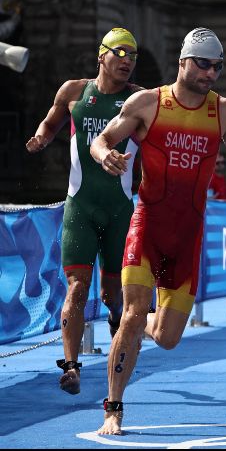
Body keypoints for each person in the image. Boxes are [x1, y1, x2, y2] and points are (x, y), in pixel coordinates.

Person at [89, 27, 226, 435]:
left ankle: (136, 322)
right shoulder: (148, 102)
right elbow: (102, 138)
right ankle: (113, 408)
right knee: (134, 316)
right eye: (203, 64)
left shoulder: (223, 111)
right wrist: (106, 157)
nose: (210, 73)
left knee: (167, 339)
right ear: (183, 61)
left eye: (217, 67)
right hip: (147, 224)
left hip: (187, 235)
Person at [25, 27, 142, 395]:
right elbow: (51, 121)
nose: (127, 62)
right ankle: (72, 366)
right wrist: (42, 137)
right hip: (80, 205)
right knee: (76, 287)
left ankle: (112, 316)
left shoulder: (139, 100)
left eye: (132, 56)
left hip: (120, 209)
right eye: (120, 54)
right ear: (101, 56)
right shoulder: (74, 92)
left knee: (111, 294)